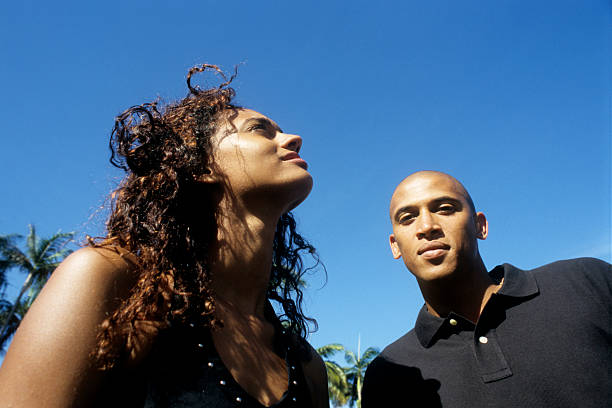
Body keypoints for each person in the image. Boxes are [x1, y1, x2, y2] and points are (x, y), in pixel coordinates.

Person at [0, 64, 329, 408]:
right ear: (202, 166)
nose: (293, 138)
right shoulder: (113, 287)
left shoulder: (306, 365)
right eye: (259, 129)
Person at [361, 170, 611, 407]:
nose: (426, 227)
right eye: (407, 218)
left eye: (445, 209)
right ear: (395, 246)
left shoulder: (586, 282)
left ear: (480, 225)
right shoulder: (386, 375)